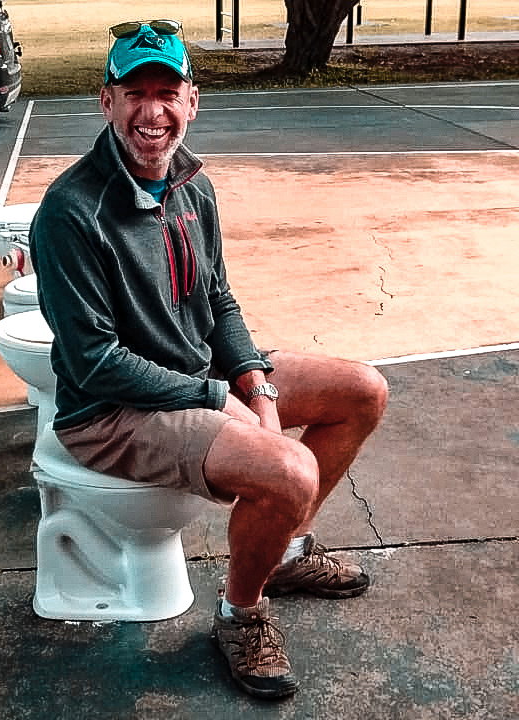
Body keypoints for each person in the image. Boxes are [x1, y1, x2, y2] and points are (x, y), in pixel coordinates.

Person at [29, 20, 388, 700]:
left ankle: (279, 553)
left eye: (167, 91)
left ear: (192, 102)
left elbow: (219, 299)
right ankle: (239, 613)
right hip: (110, 411)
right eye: (134, 93)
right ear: (106, 103)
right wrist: (211, 397)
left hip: (196, 375)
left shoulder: (194, 186)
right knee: (289, 470)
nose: (152, 111)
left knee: (362, 391)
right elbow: (93, 361)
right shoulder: (72, 212)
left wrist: (252, 379)